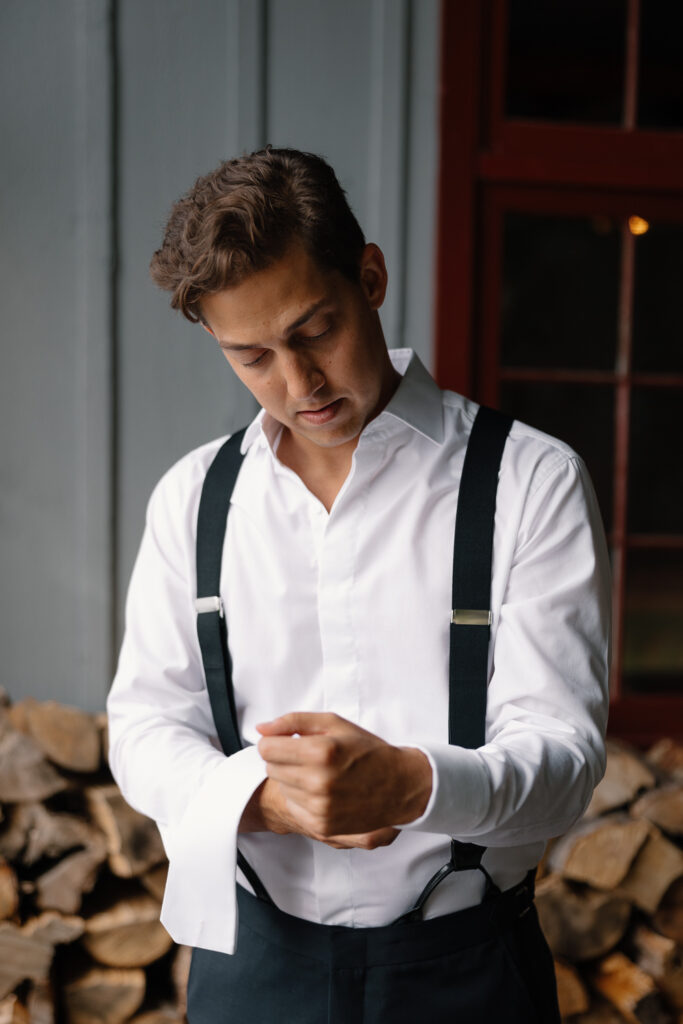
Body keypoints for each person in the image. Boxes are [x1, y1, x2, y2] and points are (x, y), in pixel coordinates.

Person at [106, 146, 611, 1023]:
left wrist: (416, 786)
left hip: (467, 973)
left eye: (313, 332)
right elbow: (146, 725)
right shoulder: (193, 497)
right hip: (253, 970)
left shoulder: (532, 480)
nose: (298, 384)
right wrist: (261, 801)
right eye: (252, 356)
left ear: (369, 277)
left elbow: (564, 761)